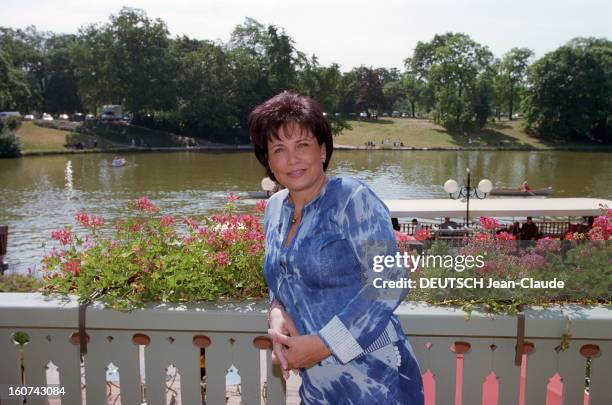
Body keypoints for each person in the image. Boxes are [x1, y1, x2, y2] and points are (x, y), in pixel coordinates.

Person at [249, 92, 423, 404]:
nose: (292, 159)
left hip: (375, 377)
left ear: (323, 149)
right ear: (268, 161)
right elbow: (281, 276)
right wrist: (276, 312)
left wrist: (323, 344)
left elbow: (388, 283)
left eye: (302, 145)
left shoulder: (352, 199)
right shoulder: (275, 208)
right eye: (279, 149)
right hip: (317, 384)